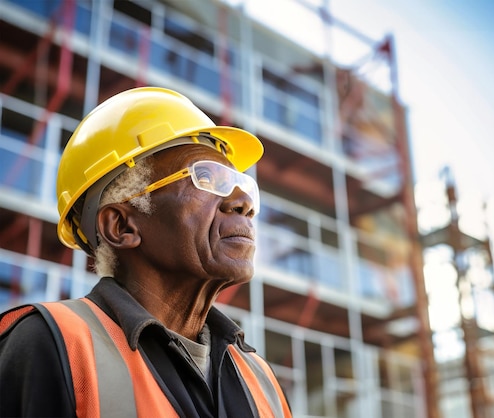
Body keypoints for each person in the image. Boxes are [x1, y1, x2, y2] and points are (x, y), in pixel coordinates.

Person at [0, 87, 292, 417]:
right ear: (122, 226)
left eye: (241, 183)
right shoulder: (50, 345)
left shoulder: (262, 378)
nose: (244, 202)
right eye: (207, 177)